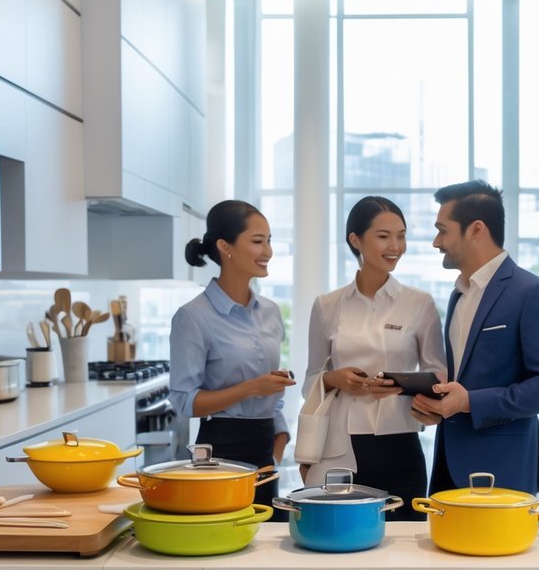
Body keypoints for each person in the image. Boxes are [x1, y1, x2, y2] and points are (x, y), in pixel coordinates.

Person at [412, 179, 539, 496]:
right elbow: (464, 378)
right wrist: (438, 402)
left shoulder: (533, 292)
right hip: (447, 465)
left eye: (443, 230)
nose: (436, 242)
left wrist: (468, 402)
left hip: (501, 471)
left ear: (476, 230)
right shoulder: (458, 295)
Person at [299, 195, 446, 517]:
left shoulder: (419, 303)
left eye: (401, 235)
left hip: (401, 444)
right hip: (341, 446)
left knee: (405, 545)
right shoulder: (327, 305)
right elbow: (309, 379)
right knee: (342, 545)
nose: (395, 245)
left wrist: (401, 385)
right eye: (383, 236)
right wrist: (332, 379)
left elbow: (438, 376)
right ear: (355, 240)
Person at [169, 200, 295, 502]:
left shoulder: (270, 312)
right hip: (220, 451)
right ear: (226, 247)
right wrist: (251, 388)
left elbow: (272, 398)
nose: (268, 252)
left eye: (269, 241)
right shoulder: (192, 317)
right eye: (257, 241)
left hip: (266, 453)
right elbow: (184, 401)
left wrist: (278, 447)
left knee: (267, 539)